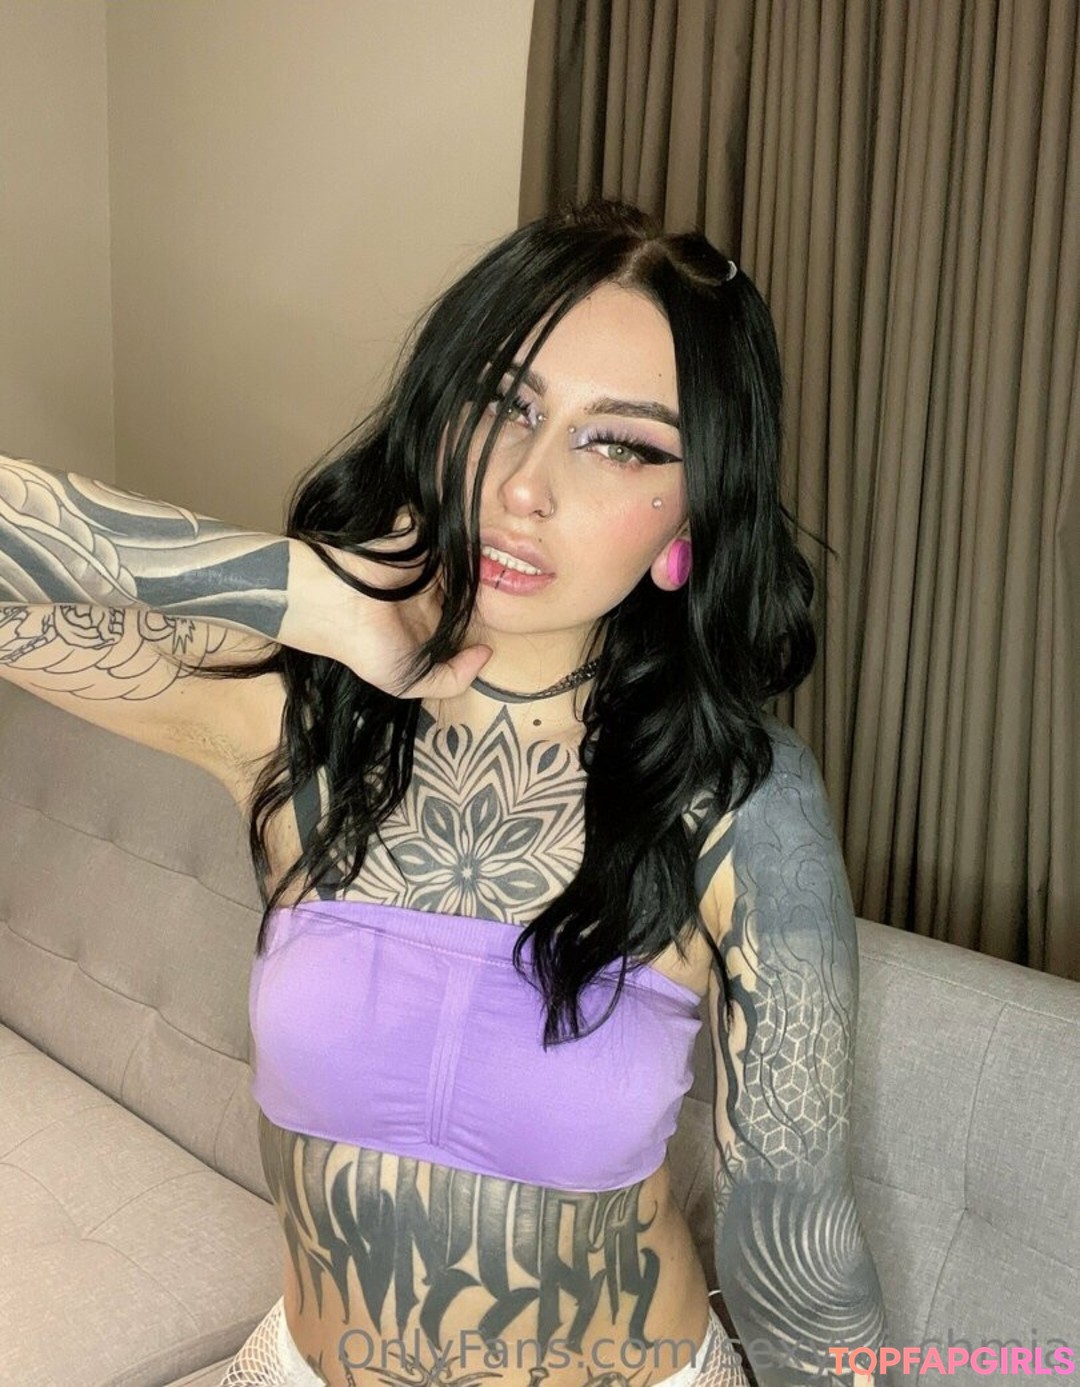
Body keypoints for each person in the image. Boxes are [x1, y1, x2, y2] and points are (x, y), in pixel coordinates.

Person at [0, 198, 890, 1387]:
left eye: (621, 444)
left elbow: (799, 1257)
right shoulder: (295, 719)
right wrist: (312, 597)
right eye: (506, 404)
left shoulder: (738, 801)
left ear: (695, 510)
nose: (525, 485)